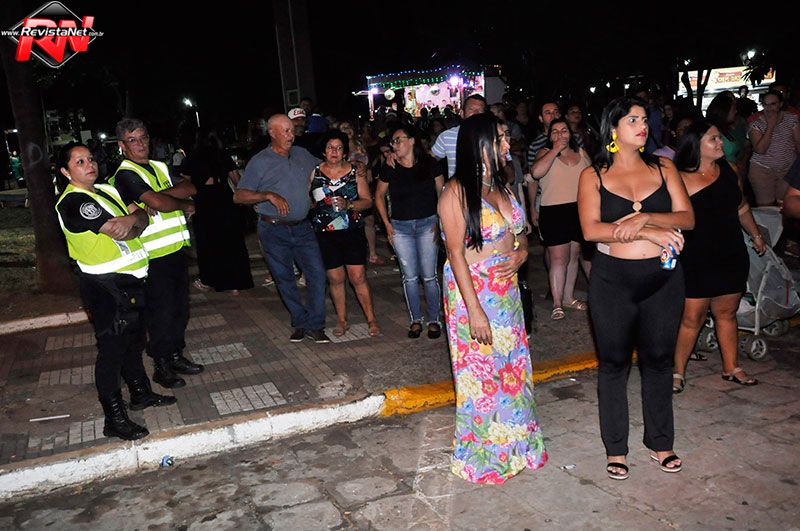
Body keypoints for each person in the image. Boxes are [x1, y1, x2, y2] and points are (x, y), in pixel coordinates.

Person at [577, 96, 694, 480]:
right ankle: (616, 448)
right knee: (613, 364)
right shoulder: (593, 175)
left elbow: (687, 218)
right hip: (613, 281)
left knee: (659, 360)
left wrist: (645, 218)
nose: (643, 126)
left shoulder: (664, 166)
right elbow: (591, 230)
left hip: (663, 279)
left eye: (644, 119)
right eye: (632, 120)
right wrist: (650, 232)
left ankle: (661, 441)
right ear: (613, 128)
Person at [439, 112, 547, 484]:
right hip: (474, 293)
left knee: (513, 371)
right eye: (499, 138)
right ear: (478, 144)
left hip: (507, 293)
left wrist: (521, 254)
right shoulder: (455, 192)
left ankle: (517, 447)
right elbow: (455, 254)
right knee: (481, 378)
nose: (506, 144)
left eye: (506, 137)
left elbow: (520, 234)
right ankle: (485, 456)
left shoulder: (501, 185)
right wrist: (475, 312)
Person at [56, 143, 176, 441]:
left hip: (131, 281)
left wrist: (133, 220)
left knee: (133, 342)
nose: (89, 164)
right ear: (65, 172)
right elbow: (118, 229)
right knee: (112, 351)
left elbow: (142, 218)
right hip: (105, 287)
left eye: (90, 159)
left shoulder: (106, 190)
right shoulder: (74, 202)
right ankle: (114, 417)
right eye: (79, 162)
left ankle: (140, 393)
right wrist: (133, 221)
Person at [671, 121, 766, 393]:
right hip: (696, 257)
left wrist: (756, 235)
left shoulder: (730, 169)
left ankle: (731, 367)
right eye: (713, 139)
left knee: (727, 312)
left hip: (731, 252)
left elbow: (741, 206)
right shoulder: (679, 178)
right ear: (696, 145)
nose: (720, 143)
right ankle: (677, 371)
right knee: (692, 317)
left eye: (720, 138)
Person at [111, 118, 204, 390]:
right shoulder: (124, 174)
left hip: (175, 251)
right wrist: (177, 203)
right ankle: (162, 365)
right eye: (133, 140)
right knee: (160, 314)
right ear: (122, 145)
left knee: (180, 310)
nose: (140, 144)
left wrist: (159, 196)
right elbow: (157, 202)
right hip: (152, 257)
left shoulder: (160, 166)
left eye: (143, 137)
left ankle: (175, 355)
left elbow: (190, 187)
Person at [234, 114, 330, 343]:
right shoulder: (260, 161)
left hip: (303, 227)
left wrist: (354, 166)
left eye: (292, 130)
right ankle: (300, 321)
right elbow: (239, 196)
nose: (291, 135)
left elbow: (326, 168)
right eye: (285, 131)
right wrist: (267, 195)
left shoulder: (301, 154)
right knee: (284, 278)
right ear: (272, 133)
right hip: (273, 229)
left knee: (317, 274)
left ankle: (315, 324)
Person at [375, 125, 444, 339]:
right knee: (410, 277)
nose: (394, 145)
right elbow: (378, 196)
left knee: (429, 276)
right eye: (393, 142)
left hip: (427, 224)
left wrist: (440, 222)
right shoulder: (390, 166)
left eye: (398, 140)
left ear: (412, 141)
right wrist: (387, 224)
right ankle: (415, 319)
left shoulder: (429, 163)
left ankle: (434, 319)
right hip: (401, 227)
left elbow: (442, 194)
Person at [309, 131, 379, 337]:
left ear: (345, 152)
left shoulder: (355, 172)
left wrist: (349, 204)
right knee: (335, 278)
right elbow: (307, 199)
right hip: (325, 233)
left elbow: (367, 201)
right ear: (324, 151)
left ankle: (371, 319)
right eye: (330, 147)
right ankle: (342, 320)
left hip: (352, 231)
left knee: (358, 276)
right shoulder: (315, 172)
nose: (334, 151)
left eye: (339, 148)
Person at [531, 118, 592, 320]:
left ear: (570, 133)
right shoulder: (544, 153)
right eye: (555, 131)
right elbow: (536, 173)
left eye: (564, 130)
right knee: (558, 259)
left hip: (579, 209)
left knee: (574, 256)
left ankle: (568, 298)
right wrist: (555, 150)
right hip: (553, 211)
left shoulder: (581, 153)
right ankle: (557, 304)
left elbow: (593, 177)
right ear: (549, 136)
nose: (560, 135)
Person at [181, 129, 253, 294]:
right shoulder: (222, 155)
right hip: (224, 197)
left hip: (204, 200)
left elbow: (186, 185)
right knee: (231, 240)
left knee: (208, 242)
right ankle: (236, 282)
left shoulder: (192, 157)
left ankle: (210, 279)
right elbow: (237, 180)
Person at [340, 120, 384, 265]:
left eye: (349, 127)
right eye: (343, 128)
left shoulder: (360, 144)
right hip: (348, 188)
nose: (347, 130)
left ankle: (372, 254)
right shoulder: (339, 148)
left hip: (364, 185)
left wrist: (369, 174)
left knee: (369, 219)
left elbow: (368, 162)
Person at [747, 90, 800, 206]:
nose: (769, 108)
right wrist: (770, 126)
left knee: (784, 204)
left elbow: (798, 142)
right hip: (762, 169)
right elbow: (760, 150)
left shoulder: (791, 119)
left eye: (773, 104)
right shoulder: (756, 123)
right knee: (766, 206)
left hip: (787, 169)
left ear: (780, 104)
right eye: (765, 104)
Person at [431, 94, 487, 178]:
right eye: (471, 109)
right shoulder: (447, 136)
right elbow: (429, 161)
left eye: (480, 111)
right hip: (456, 185)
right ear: (462, 113)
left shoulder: (494, 135)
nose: (475, 113)